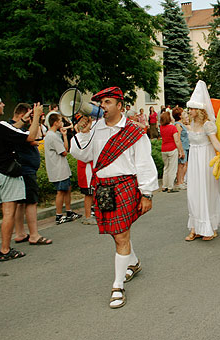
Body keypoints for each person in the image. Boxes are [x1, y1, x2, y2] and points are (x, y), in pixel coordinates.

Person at [71, 86, 159, 309]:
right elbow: (82, 154)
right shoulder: (96, 128)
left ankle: (117, 286)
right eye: (101, 102)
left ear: (120, 106)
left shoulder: (134, 132)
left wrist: (146, 193)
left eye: (108, 102)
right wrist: (81, 132)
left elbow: (144, 163)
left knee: (120, 235)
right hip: (102, 187)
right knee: (115, 234)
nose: (103, 106)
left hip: (124, 186)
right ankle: (134, 262)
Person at [0, 95, 43, 260]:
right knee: (8, 212)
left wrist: (23, 120)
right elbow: (30, 137)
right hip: (6, 172)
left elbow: (9, 131)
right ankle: (5, 250)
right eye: (0, 103)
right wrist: (35, 119)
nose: (3, 105)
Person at [184, 81, 220, 241]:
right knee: (193, 193)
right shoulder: (191, 124)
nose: (190, 111)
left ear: (200, 110)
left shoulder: (207, 125)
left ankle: (211, 226)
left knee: (206, 192)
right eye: (189, 108)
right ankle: (195, 227)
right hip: (194, 160)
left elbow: (214, 142)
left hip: (205, 160)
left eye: (192, 108)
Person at [10, 103, 52, 245]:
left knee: (21, 203)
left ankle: (20, 232)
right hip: (26, 170)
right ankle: (34, 235)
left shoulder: (12, 128)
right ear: (23, 115)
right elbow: (36, 139)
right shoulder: (17, 129)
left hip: (23, 169)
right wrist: (36, 122)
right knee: (31, 202)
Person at [44, 113, 81, 224]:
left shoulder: (56, 135)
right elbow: (64, 152)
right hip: (58, 168)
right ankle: (59, 215)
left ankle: (68, 211)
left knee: (67, 189)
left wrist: (64, 136)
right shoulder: (52, 136)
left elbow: (65, 148)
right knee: (61, 191)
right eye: (60, 121)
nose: (62, 123)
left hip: (61, 167)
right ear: (55, 122)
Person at [159, 111, 184, 193]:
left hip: (164, 149)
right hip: (172, 149)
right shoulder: (173, 128)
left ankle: (164, 186)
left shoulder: (161, 127)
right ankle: (170, 186)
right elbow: (177, 140)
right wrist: (180, 150)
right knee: (172, 168)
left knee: (166, 168)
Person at [173, 107, 189, 190]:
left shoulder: (182, 124)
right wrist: (180, 150)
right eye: (182, 113)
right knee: (181, 165)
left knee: (184, 164)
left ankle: (182, 181)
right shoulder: (178, 125)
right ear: (179, 116)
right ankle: (179, 182)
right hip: (182, 147)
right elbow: (178, 137)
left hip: (186, 147)